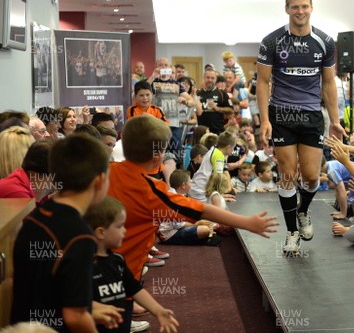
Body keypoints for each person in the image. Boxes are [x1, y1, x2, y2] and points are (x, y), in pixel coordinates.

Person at [107, 115, 278, 281]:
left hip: (102, 263)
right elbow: (202, 210)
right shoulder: (152, 190)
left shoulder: (105, 172)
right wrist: (247, 223)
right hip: (123, 272)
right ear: (158, 157)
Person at [256, 0, 344, 256]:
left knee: (309, 176)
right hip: (281, 114)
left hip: (311, 115)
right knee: (287, 174)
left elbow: (329, 83)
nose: (300, 11)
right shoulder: (271, 42)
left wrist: (335, 120)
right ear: (287, 9)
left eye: (304, 6)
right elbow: (262, 81)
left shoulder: (325, 42)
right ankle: (292, 232)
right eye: (295, 7)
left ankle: (303, 211)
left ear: (311, 8)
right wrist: (264, 121)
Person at [11, 134, 111, 331]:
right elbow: (75, 317)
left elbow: (47, 290)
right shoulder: (80, 236)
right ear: (99, 181)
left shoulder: (35, 217)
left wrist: (91, 307)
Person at [84, 196, 179, 333]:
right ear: (101, 232)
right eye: (119, 226)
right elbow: (74, 304)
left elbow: (135, 289)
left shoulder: (117, 260)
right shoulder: (83, 266)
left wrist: (158, 310)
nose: (124, 230)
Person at [157, 170, 221, 246]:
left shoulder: (176, 195)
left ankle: (204, 236)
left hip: (174, 229)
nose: (191, 183)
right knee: (204, 229)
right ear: (183, 185)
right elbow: (179, 224)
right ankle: (204, 237)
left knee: (204, 223)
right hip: (170, 234)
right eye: (190, 181)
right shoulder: (175, 199)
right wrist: (196, 224)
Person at [189, 131, 236, 202]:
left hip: (198, 189)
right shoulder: (218, 155)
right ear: (228, 147)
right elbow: (217, 178)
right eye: (233, 148)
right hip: (200, 193)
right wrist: (220, 196)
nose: (233, 150)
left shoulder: (214, 148)